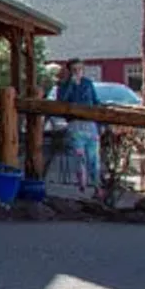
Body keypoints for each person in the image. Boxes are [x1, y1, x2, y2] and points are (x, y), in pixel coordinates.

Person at [56, 58, 102, 194]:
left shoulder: (88, 83)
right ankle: (81, 184)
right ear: (69, 71)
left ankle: (96, 186)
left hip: (90, 125)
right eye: (74, 70)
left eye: (80, 69)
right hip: (75, 125)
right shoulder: (64, 85)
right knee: (79, 156)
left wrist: (100, 120)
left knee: (93, 158)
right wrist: (71, 84)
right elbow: (62, 101)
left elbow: (95, 101)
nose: (78, 72)